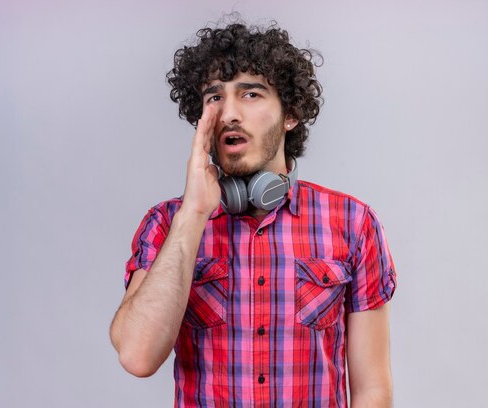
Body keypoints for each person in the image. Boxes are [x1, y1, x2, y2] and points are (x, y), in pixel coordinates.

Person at [110, 20, 397, 407]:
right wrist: (194, 213)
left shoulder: (352, 222)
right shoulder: (167, 224)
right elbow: (136, 355)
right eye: (214, 97)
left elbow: (372, 390)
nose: (228, 112)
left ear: (290, 114)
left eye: (250, 94)